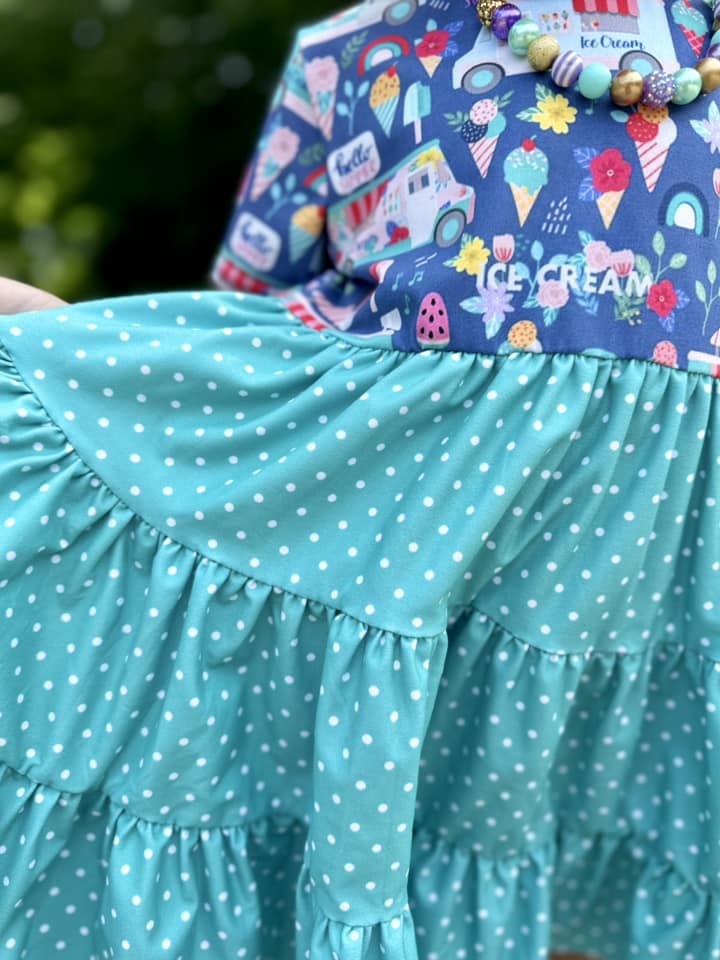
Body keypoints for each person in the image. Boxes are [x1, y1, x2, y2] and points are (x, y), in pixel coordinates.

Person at [0, 1, 719, 957]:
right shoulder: (357, 52)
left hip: (646, 590)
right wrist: (74, 369)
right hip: (401, 558)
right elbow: (260, 359)